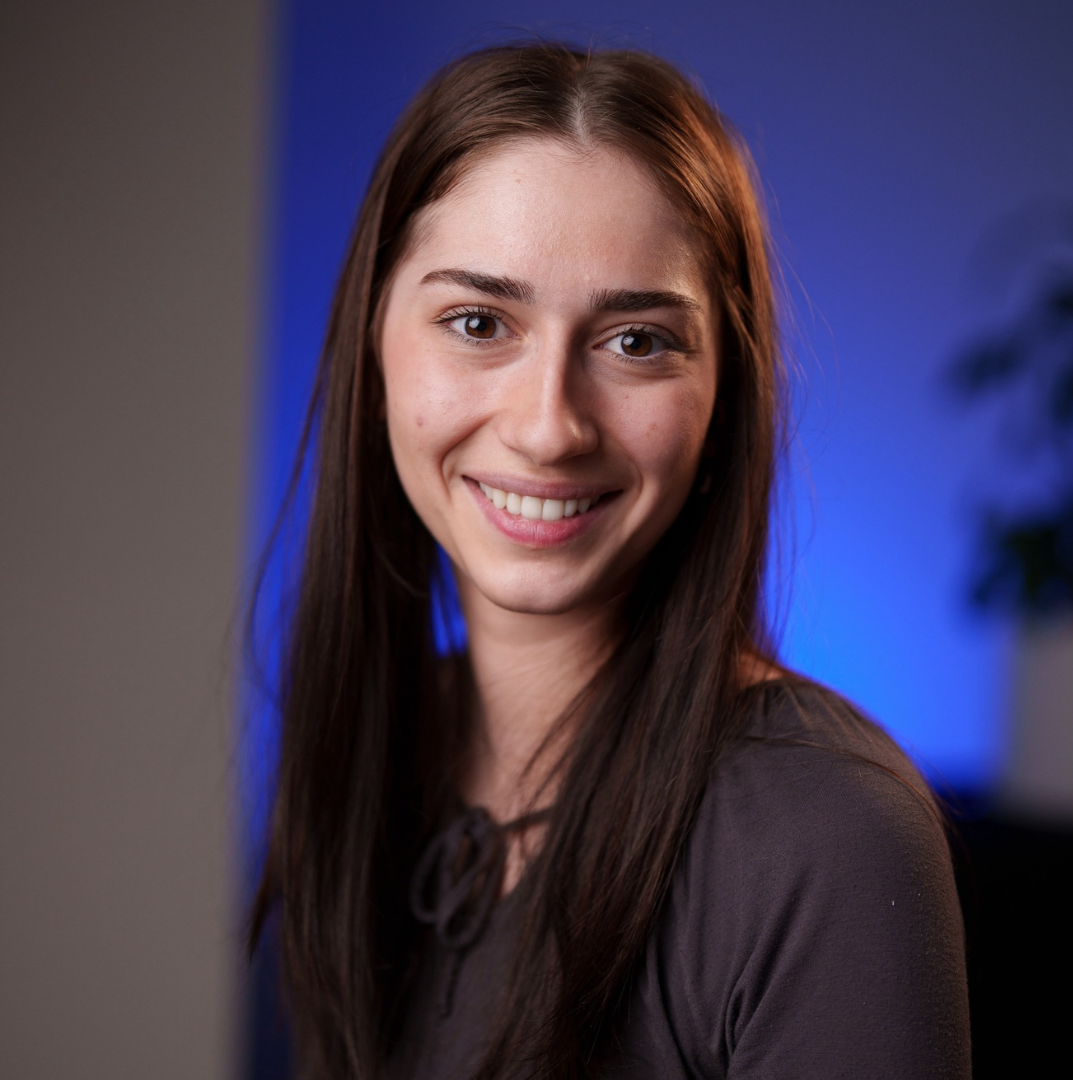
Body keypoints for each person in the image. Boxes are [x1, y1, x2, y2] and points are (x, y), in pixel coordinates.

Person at [249, 42, 971, 1080]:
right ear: (373, 346)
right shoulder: (370, 759)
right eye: (477, 321)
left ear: (726, 394)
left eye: (635, 342)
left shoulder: (828, 839)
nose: (548, 428)